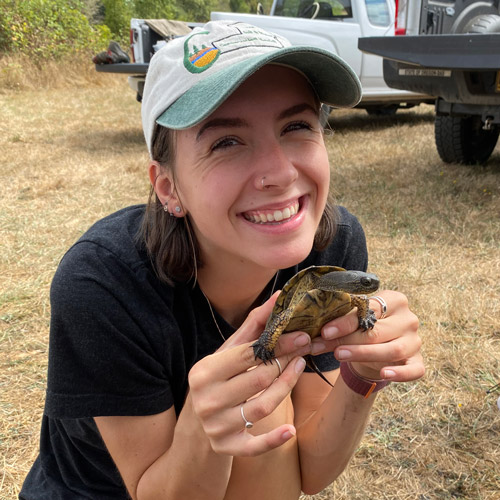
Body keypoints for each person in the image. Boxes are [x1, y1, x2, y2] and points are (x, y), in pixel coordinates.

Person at [20, 20, 424, 500]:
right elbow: (153, 491)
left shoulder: (332, 251)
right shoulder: (102, 284)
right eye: (226, 142)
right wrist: (201, 426)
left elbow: (310, 470)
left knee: (258, 397)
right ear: (168, 187)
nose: (279, 172)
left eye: (297, 126)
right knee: (252, 392)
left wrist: (362, 374)